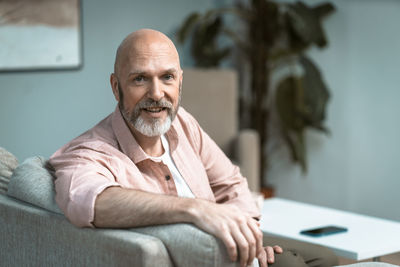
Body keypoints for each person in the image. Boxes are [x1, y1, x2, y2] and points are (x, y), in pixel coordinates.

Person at [49, 29, 337, 267]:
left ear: (180, 82)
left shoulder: (183, 125)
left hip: (230, 254)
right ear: (116, 87)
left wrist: (250, 241)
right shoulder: (88, 152)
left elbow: (231, 184)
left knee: (327, 257)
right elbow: (93, 202)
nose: (156, 93)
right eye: (140, 79)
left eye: (167, 77)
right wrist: (195, 209)